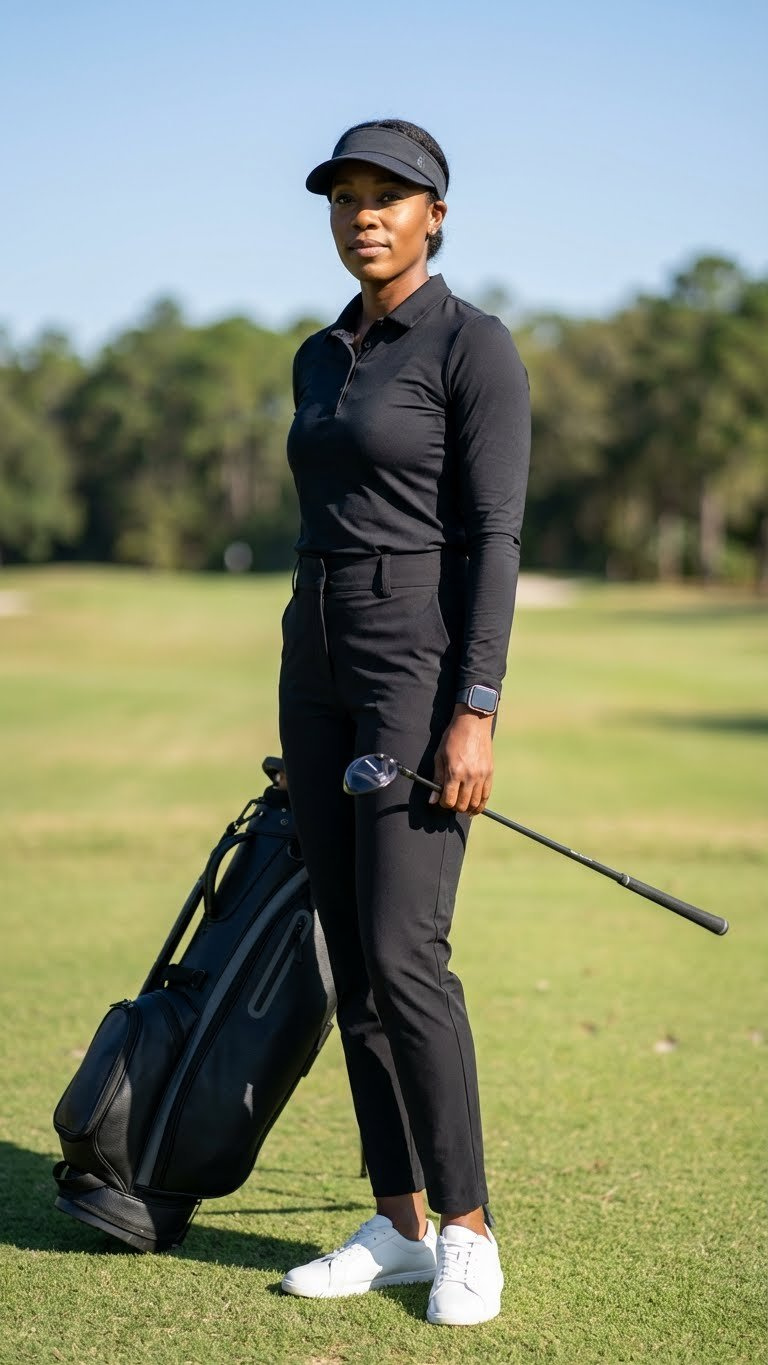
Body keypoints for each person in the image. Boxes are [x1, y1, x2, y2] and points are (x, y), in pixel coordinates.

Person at [277, 118, 531, 1326]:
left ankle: (471, 1230)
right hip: (316, 659)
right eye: (347, 197)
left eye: (391, 196)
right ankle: (399, 1221)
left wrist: (473, 708)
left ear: (437, 214)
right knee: (350, 963)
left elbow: (495, 540)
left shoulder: (474, 349)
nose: (364, 215)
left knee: (403, 954)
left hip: (414, 668)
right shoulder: (318, 357)